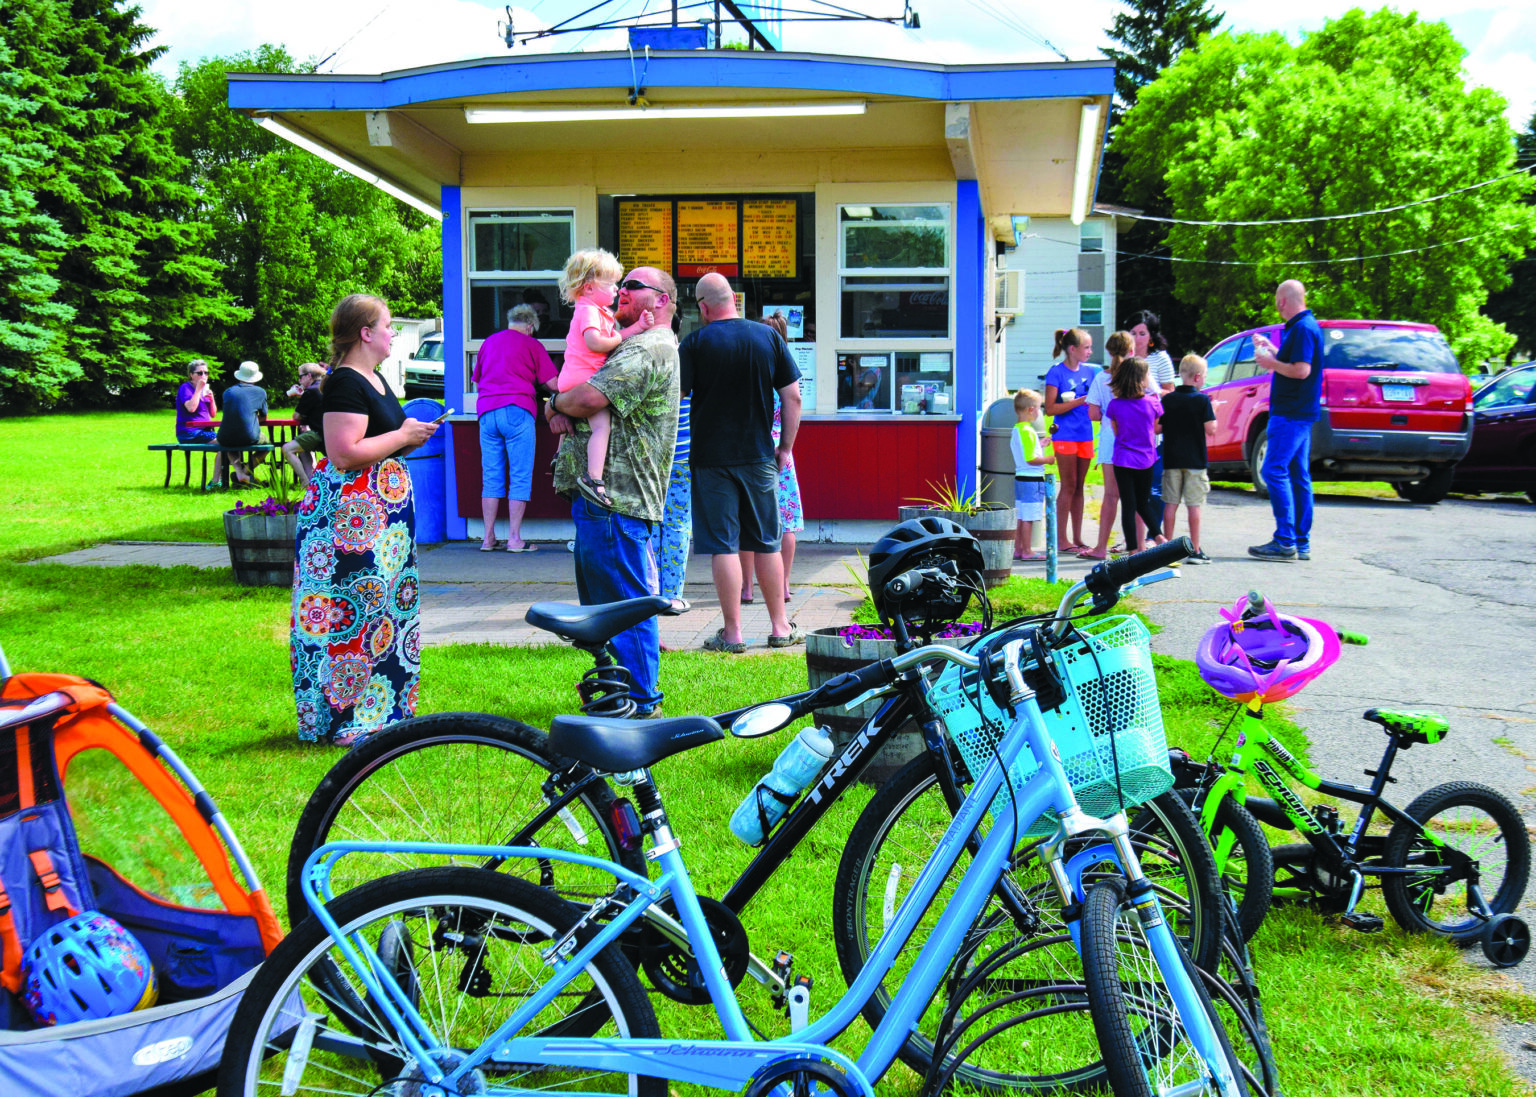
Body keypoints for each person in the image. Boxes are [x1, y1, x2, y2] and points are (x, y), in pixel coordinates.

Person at [291, 294, 438, 746]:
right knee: (349, 610)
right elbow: (342, 452)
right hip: (351, 518)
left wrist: (407, 439)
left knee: (383, 608)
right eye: (389, 325)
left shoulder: (374, 379)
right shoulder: (343, 384)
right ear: (365, 333)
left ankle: (381, 709)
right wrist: (400, 434)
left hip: (382, 515)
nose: (394, 333)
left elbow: (379, 440)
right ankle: (342, 719)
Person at [546, 267, 680, 715]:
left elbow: (586, 399)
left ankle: (641, 701)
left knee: (624, 607)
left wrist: (551, 403)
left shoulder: (648, 346)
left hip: (616, 499)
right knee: (605, 607)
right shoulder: (627, 341)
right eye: (621, 284)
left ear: (660, 300)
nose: (622, 291)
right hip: (604, 502)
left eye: (634, 286)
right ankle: (618, 694)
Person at [679, 272, 802, 653]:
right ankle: (780, 628)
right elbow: (793, 398)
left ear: (702, 307)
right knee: (766, 542)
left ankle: (733, 634)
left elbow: (677, 398)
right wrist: (784, 447)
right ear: (734, 298)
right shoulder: (767, 337)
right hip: (759, 456)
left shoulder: (695, 343)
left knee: (724, 546)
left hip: (710, 458)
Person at [556, 249, 654, 511]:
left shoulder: (594, 309)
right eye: (610, 284)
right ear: (588, 288)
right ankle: (595, 478)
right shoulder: (588, 311)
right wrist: (633, 331)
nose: (616, 290)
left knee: (575, 422)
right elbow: (595, 342)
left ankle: (559, 454)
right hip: (585, 378)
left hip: (571, 377)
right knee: (602, 427)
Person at [1249, 279, 1324, 561]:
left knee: (1273, 471)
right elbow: (1295, 363)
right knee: (1298, 475)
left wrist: (1270, 364)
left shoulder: (1303, 329)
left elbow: (1302, 370)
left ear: (1282, 301)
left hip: (1290, 413)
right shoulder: (1305, 326)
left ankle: (1284, 541)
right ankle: (1300, 542)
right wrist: (1273, 349)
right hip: (1301, 412)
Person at [474, 303, 558, 552]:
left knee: (491, 477)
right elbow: (553, 384)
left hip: (487, 413)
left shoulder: (489, 342)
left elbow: (477, 377)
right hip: (517, 409)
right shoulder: (532, 344)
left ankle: (487, 538)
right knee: (519, 476)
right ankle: (514, 539)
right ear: (531, 326)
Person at [740, 312, 805, 605]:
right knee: (786, 523)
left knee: (747, 522)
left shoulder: (750, 369)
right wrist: (786, 447)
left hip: (752, 451)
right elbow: (795, 404)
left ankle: (747, 588)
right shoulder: (787, 370)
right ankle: (784, 584)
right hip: (782, 453)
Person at [1043, 328, 1097, 553]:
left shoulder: (1091, 372)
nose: (1090, 352)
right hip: (1065, 434)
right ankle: (1061, 540)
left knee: (1080, 487)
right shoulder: (1056, 372)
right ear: (1072, 349)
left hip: (1085, 434)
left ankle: (1077, 538)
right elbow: (1050, 409)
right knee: (1068, 485)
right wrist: (1079, 401)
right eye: (1086, 347)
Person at [1082, 330, 1134, 560]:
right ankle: (1135, 546)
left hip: (1109, 441)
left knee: (1111, 496)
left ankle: (1101, 547)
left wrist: (1106, 411)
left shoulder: (1102, 378)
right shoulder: (1138, 375)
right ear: (1131, 351)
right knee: (1135, 496)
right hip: (1135, 440)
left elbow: (1093, 413)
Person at [1160, 354, 1217, 564]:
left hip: (1172, 459)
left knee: (1170, 504)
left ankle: (1167, 548)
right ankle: (1194, 549)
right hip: (1195, 461)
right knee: (1194, 505)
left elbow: (1158, 426)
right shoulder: (1203, 400)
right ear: (1198, 377)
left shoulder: (1168, 399)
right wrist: (1215, 411)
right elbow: (1210, 429)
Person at [1105, 357, 1165, 553]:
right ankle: (1159, 535)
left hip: (1123, 459)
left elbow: (1116, 430)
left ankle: (1132, 550)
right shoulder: (1153, 403)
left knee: (1128, 506)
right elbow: (1156, 428)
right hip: (1147, 459)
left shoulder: (1114, 405)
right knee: (1143, 502)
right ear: (1141, 379)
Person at [1009, 389, 1054, 561]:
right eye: (1039, 407)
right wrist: (1048, 459)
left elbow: (1025, 452)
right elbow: (1031, 459)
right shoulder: (1028, 431)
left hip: (1021, 478)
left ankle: (1019, 549)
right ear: (1030, 410)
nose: (1040, 411)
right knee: (1029, 517)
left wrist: (1040, 444)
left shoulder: (1018, 429)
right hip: (1032, 480)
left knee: (1021, 515)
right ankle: (1027, 551)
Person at [218, 361, 268, 487]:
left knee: (229, 443)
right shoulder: (260, 392)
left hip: (224, 436)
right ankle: (245, 472)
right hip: (249, 436)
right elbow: (264, 417)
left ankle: (240, 473)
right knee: (267, 445)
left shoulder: (228, 392)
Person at [281, 363, 327, 485]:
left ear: (308, 376)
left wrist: (300, 395)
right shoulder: (324, 386)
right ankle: (312, 480)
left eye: (300, 377)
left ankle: (304, 482)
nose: (299, 380)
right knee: (302, 446)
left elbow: (296, 415)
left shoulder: (311, 391)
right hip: (330, 433)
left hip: (319, 434)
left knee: (287, 449)